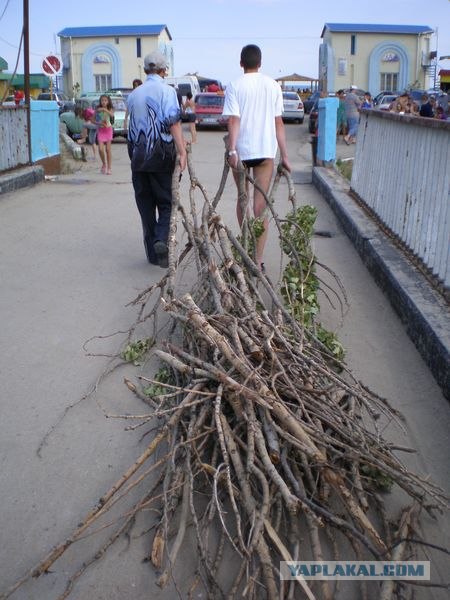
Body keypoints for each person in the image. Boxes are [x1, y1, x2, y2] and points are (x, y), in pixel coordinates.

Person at [222, 44, 291, 271]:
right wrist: (285, 156)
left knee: (243, 199)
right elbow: (278, 123)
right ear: (260, 63)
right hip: (265, 153)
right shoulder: (273, 86)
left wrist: (232, 150)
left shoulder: (234, 85)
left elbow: (234, 120)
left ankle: (244, 249)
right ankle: (258, 259)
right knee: (260, 207)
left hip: (241, 152)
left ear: (241, 63)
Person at [126, 50, 187, 268]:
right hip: (161, 156)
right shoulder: (167, 91)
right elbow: (174, 123)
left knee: (145, 205)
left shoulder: (133, 94)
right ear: (163, 71)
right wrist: (182, 152)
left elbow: (130, 128)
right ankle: (162, 240)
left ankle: (152, 255)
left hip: (138, 159)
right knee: (167, 202)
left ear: (145, 70)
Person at [96, 94, 114, 174]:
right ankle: (104, 164)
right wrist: (99, 123)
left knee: (108, 149)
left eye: (105, 100)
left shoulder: (110, 108)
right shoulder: (97, 109)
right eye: (102, 100)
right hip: (101, 130)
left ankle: (109, 168)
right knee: (100, 149)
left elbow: (112, 115)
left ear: (108, 101)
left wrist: (105, 109)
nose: (103, 102)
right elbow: (93, 119)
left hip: (108, 130)